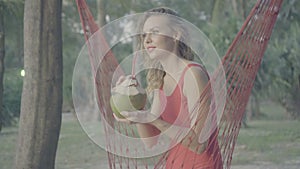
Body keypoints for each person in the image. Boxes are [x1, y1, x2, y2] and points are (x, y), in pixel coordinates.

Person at [114, 7, 223, 169]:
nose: (147, 39)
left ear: (176, 35)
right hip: (175, 163)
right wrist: (136, 106)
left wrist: (153, 120)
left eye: (154, 32)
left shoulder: (193, 75)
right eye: (144, 35)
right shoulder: (161, 80)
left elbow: (199, 144)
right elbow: (150, 141)